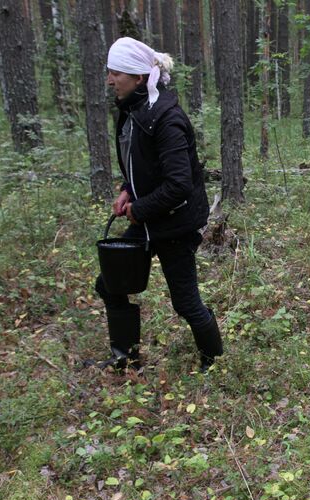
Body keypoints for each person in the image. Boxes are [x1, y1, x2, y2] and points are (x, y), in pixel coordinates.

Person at [92, 37, 222, 372]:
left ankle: (215, 363)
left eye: (116, 72)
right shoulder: (132, 111)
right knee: (109, 285)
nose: (109, 79)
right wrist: (126, 190)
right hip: (149, 219)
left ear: (137, 77)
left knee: (185, 302)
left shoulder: (167, 118)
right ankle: (125, 357)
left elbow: (179, 184)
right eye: (109, 71)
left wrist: (139, 209)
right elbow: (144, 164)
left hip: (176, 224)